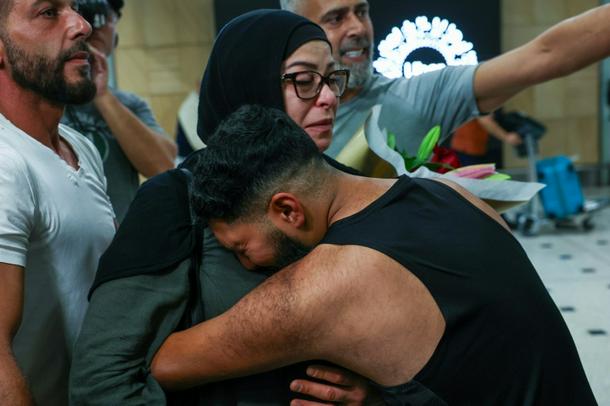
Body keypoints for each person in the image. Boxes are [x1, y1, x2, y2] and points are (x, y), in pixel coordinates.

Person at [151, 104, 597, 406]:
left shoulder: (329, 282)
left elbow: (165, 363)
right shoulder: (452, 194)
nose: (245, 264)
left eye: (241, 247)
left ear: (287, 210)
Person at [71, 10, 378, 405]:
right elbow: (102, 380)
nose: (330, 97)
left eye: (333, 78)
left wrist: (375, 393)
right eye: (304, 81)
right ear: (248, 85)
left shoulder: (346, 187)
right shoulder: (178, 201)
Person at [279, 0, 610, 177]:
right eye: (336, 18)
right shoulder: (269, 111)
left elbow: (544, 55)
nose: (358, 28)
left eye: (362, 12)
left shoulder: (413, 97)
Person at [0, 1, 116, 404]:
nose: (82, 25)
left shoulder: (80, 147)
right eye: (49, 12)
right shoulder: (5, 163)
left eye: (76, 8)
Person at [61, 0, 176, 222]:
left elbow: (163, 166)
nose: (91, 27)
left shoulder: (129, 104)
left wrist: (102, 95)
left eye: (103, 20)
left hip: (122, 236)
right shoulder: (41, 99)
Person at [451, 115, 522, 167]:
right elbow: (485, 120)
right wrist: (506, 137)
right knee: (470, 179)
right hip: (467, 149)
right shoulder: (480, 101)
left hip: (476, 149)